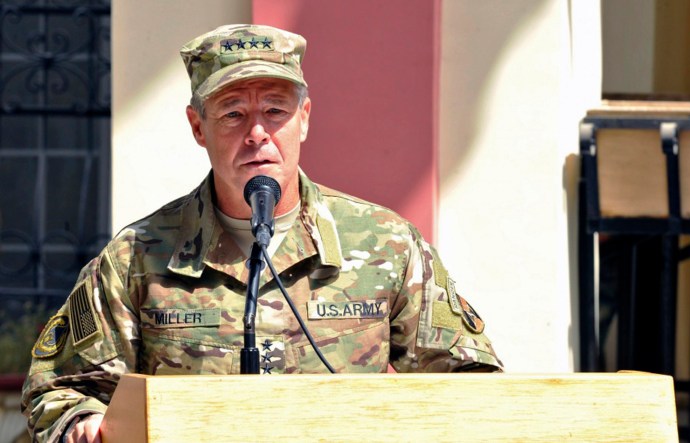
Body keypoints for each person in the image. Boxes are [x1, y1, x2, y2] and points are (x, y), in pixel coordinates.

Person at [21, 24, 502, 442]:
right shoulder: (138, 256)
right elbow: (61, 388)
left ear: (305, 119)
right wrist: (83, 422)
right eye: (232, 113)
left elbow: (472, 381)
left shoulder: (386, 244)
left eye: (276, 111)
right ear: (198, 127)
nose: (257, 133)